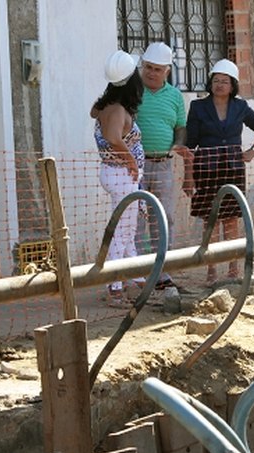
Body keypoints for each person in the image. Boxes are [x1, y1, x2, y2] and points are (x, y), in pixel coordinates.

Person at [92, 42, 192, 290]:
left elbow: (181, 127)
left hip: (161, 164)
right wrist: (131, 161)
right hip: (131, 169)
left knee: (161, 218)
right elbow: (111, 131)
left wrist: (177, 146)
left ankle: (158, 272)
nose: (151, 72)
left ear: (167, 71)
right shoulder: (125, 97)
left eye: (158, 69)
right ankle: (127, 277)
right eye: (147, 67)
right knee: (130, 224)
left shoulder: (174, 96)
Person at [184, 59, 254, 284]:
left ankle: (233, 268)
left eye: (224, 81)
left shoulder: (240, 107)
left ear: (232, 85)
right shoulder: (198, 107)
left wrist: (252, 151)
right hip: (206, 168)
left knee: (231, 219)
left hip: (233, 168)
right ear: (210, 83)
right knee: (209, 220)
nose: (220, 85)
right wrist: (189, 176)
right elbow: (190, 144)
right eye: (216, 80)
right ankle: (211, 270)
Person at [92, 50, 146, 306]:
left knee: (127, 230)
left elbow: (94, 112)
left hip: (117, 174)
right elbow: (113, 138)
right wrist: (131, 161)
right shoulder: (116, 110)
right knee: (122, 232)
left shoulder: (106, 105)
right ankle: (115, 287)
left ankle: (135, 279)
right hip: (121, 175)